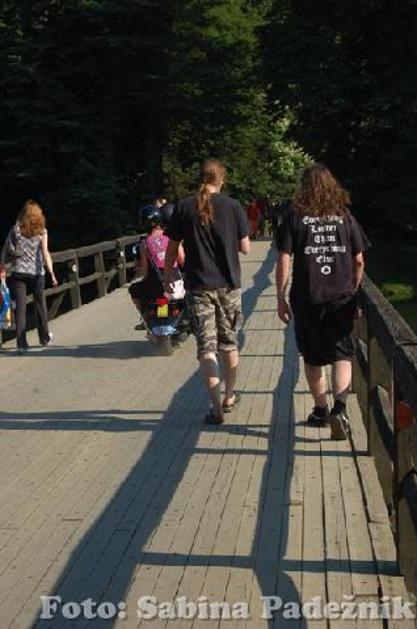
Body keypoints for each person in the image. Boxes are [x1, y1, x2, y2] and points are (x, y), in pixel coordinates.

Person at [276, 163, 370, 440]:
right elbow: (359, 260)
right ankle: (340, 408)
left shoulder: (294, 216)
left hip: (307, 298)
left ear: (303, 187)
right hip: (340, 298)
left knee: (313, 357)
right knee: (342, 354)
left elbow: (284, 259)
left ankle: (320, 409)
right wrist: (353, 289)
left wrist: (280, 297)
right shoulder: (345, 216)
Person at [163, 158, 250, 424]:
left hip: (198, 286)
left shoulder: (183, 207)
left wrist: (168, 276)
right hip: (228, 285)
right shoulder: (233, 206)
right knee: (229, 343)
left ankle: (215, 409)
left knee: (206, 348)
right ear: (222, 179)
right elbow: (246, 247)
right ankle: (229, 396)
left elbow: (171, 248)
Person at [0, 199, 57, 353]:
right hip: (37, 273)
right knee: (40, 304)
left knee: (20, 308)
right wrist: (52, 273)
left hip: (19, 272)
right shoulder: (42, 231)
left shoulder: (16, 229)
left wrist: (2, 269)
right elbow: (45, 253)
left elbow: (5, 249)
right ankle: (44, 338)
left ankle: (22, 344)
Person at [129, 205, 184, 318]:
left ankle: (147, 316)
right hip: (177, 282)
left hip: (159, 288)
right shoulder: (172, 236)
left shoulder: (144, 244)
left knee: (134, 290)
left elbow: (145, 273)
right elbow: (182, 260)